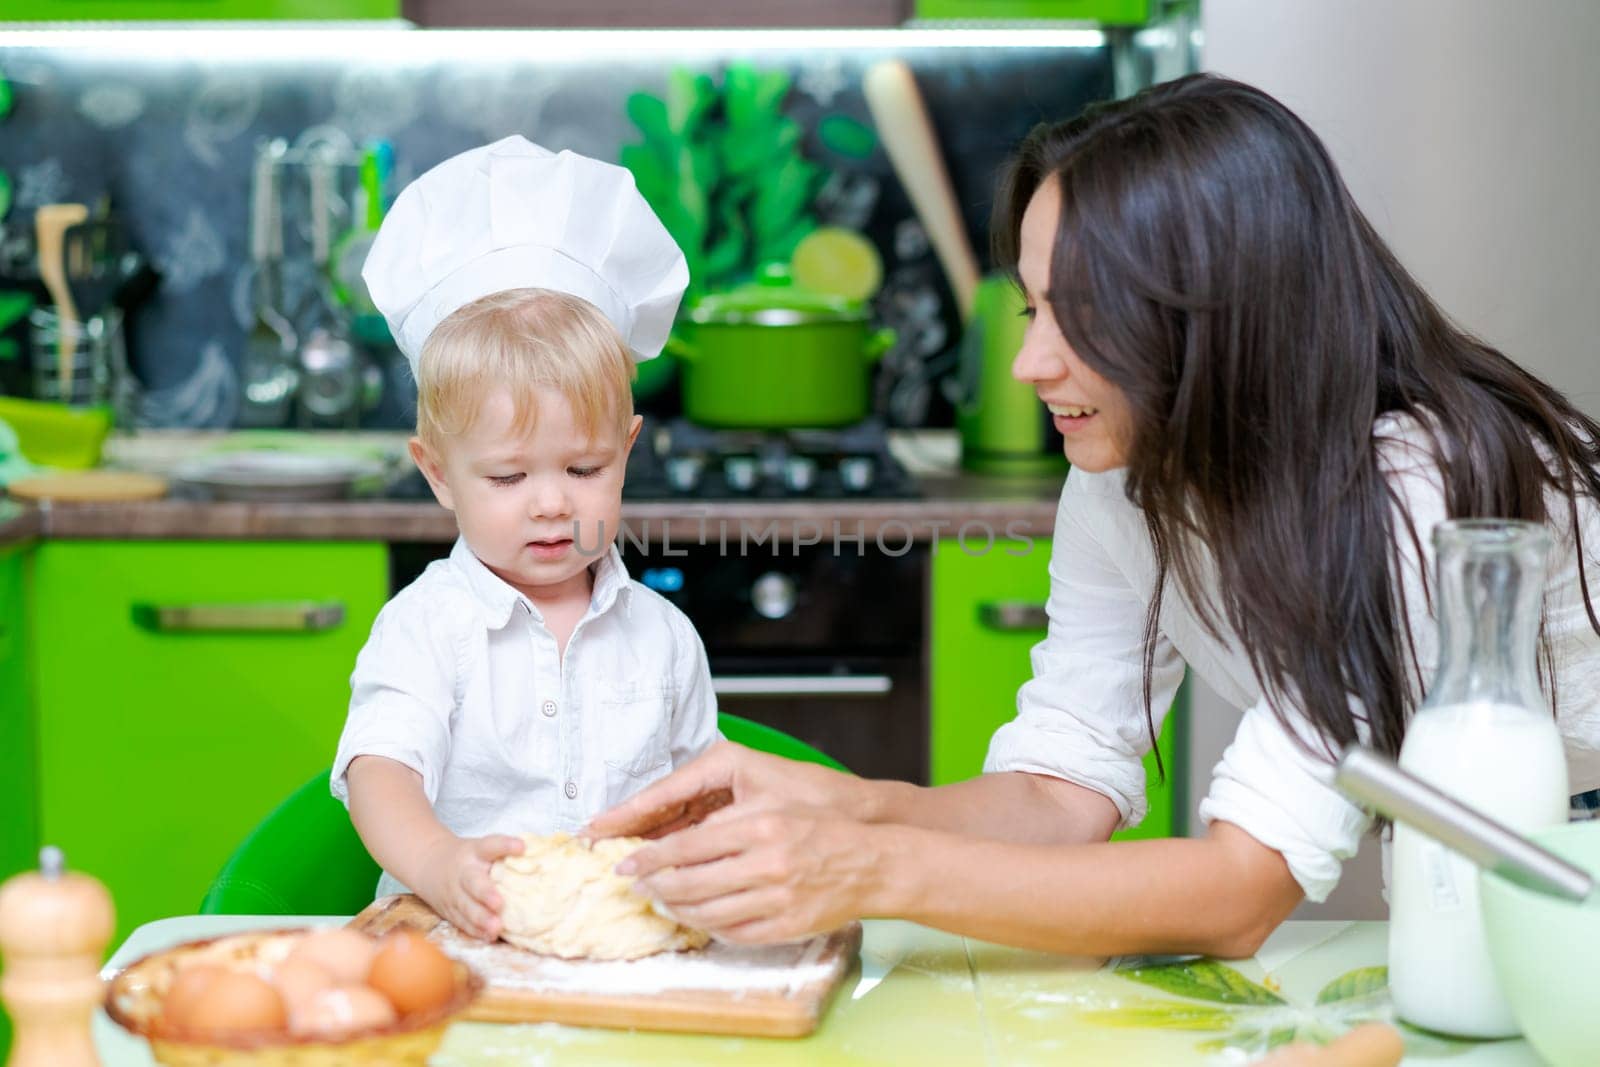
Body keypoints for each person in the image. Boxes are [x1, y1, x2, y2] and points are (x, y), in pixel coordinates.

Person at [588, 74, 1600, 957]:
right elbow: (1059, 790)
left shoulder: (1405, 487)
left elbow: (1243, 890)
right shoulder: (1123, 473)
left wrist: (871, 864)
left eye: (1085, 315)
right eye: (1034, 308)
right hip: (1502, 882)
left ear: (1217, 314)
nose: (1031, 363)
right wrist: (838, 807)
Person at [331, 136, 719, 940]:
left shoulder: (664, 636)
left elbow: (702, 793)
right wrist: (441, 864)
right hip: (453, 955)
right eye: (507, 478)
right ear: (438, 474)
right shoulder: (427, 627)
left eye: (584, 467)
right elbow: (380, 771)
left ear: (629, 451)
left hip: (632, 963)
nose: (550, 503)